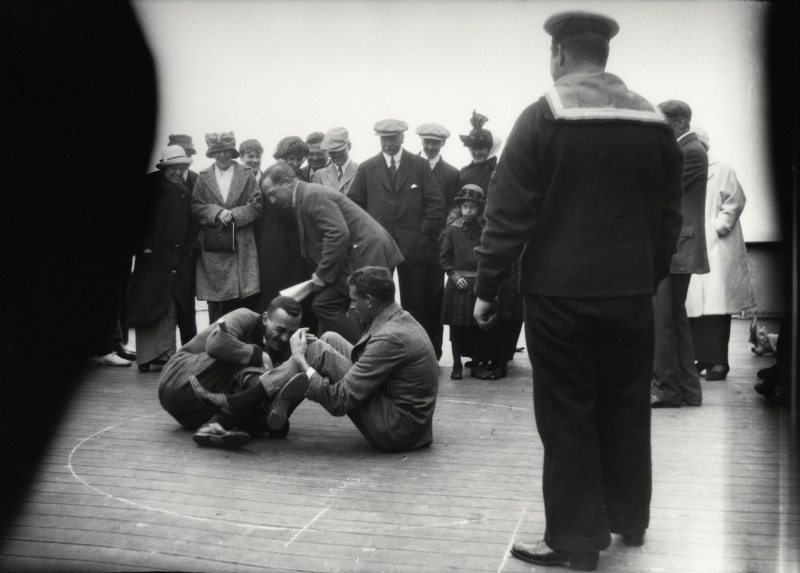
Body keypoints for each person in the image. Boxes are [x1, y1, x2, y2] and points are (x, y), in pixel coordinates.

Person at [473, 11, 683, 570]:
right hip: (632, 295)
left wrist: (488, 285)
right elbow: (669, 220)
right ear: (604, 56)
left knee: (568, 413)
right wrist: (646, 276)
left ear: (559, 54)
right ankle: (629, 519)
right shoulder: (656, 123)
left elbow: (507, 214)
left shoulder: (541, 116)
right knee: (626, 404)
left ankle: (573, 541)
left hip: (559, 296)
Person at [196, 267, 439, 452]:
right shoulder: (395, 318)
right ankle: (250, 407)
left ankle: (234, 406)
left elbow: (340, 401)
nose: (352, 307)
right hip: (406, 418)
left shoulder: (391, 337)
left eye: (355, 301)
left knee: (314, 351)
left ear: (370, 301)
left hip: (398, 429)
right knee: (329, 338)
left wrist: (302, 361)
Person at [261, 162, 404, 343]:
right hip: (361, 255)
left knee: (332, 305)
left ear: (288, 182)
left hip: (368, 254)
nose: (272, 200)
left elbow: (337, 234)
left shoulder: (312, 196)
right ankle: (341, 349)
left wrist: (322, 274)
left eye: (273, 193)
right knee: (325, 303)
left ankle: (366, 347)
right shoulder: (305, 196)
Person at [348, 119, 447, 359]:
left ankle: (422, 356)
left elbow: (436, 203)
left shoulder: (419, 166)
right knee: (374, 302)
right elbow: (352, 204)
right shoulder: (367, 167)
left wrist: (421, 233)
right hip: (379, 248)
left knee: (416, 306)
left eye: (393, 138)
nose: (389, 144)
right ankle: (372, 354)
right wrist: (367, 234)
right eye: (384, 139)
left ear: (403, 138)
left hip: (414, 249)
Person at [158, 296, 308, 448]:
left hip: (194, 413)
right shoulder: (244, 316)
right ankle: (263, 413)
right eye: (280, 330)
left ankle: (214, 427)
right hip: (177, 380)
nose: (284, 338)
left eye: (291, 333)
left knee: (285, 373)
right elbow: (215, 344)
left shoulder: (286, 345)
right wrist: (259, 356)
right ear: (264, 319)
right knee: (251, 358)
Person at [650, 100, 710, 408]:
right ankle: (688, 389)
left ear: (681, 123)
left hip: (675, 247)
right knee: (674, 317)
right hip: (679, 245)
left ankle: (666, 389)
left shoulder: (689, 151)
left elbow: (660, 190)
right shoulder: (690, 150)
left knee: (662, 320)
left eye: (665, 125)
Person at [685, 126, 756, 380]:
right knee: (695, 308)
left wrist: (719, 226)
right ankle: (702, 359)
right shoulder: (685, 169)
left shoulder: (722, 169)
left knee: (717, 309)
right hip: (694, 245)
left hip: (718, 246)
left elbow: (736, 201)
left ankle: (719, 363)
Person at [128, 145, 199, 372]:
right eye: (173, 168)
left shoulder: (189, 186)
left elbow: (192, 223)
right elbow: (136, 219)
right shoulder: (149, 186)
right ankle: (149, 356)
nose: (178, 172)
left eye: (181, 168)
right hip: (153, 260)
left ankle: (167, 354)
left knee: (172, 307)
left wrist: (190, 247)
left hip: (177, 260)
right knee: (151, 305)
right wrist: (145, 246)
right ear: (164, 167)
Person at [192, 131, 262, 324]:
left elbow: (256, 205)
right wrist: (216, 212)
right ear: (212, 154)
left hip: (242, 244)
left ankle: (241, 345)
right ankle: (215, 346)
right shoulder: (203, 177)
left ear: (232, 153)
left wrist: (234, 215)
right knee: (216, 303)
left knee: (243, 302)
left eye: (226, 151)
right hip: (214, 248)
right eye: (217, 151)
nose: (222, 155)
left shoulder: (246, 175)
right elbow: (196, 207)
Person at [439, 185, 488, 380]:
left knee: (477, 327)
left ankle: (476, 365)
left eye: (473, 207)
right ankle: (456, 365)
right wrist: (454, 275)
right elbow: (444, 258)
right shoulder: (451, 231)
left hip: (478, 284)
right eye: (465, 206)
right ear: (460, 207)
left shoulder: (484, 230)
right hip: (459, 285)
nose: (468, 210)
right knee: (457, 327)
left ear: (479, 209)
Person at [416, 123, 461, 212]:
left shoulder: (452, 174)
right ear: (421, 141)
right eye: (427, 141)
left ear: (443, 143)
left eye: (435, 142)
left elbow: (450, 206)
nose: (430, 147)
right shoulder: (407, 165)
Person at [458, 110, 503, 193]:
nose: (477, 153)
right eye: (474, 148)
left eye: (481, 148)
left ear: (490, 149)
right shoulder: (463, 172)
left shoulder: (500, 171)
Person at [312, 127, 359, 195]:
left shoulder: (361, 171)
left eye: (340, 151)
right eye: (332, 152)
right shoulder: (319, 175)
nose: (337, 155)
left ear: (349, 146)